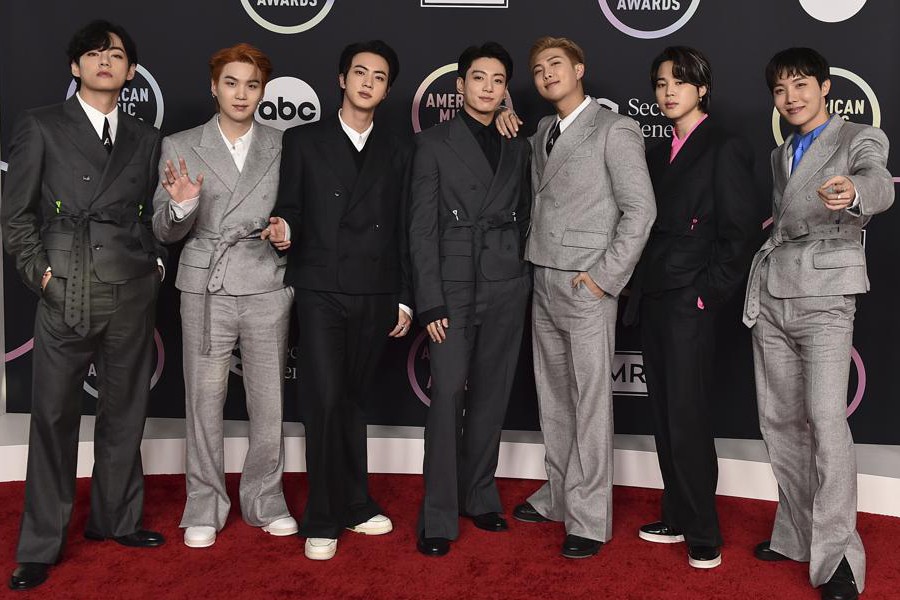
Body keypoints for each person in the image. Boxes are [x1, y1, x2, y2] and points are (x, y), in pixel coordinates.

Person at [2, 20, 165, 591]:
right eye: (94, 53)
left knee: (124, 413)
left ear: (129, 71)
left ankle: (116, 520)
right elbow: (16, 216)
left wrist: (155, 266)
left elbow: (151, 216)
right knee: (52, 418)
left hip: (130, 291)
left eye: (116, 54)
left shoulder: (146, 138)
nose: (105, 60)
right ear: (76, 67)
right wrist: (41, 277)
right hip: (65, 288)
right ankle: (41, 545)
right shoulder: (41, 125)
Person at [743, 47, 893, 600]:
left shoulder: (857, 139)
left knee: (827, 422)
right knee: (780, 420)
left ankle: (838, 558)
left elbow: (878, 183)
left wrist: (854, 194)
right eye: (781, 91)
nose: (791, 98)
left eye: (801, 85)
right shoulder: (781, 154)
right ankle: (796, 533)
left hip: (827, 296)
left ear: (826, 86)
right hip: (775, 293)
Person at [507, 36, 656, 558]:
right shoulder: (543, 130)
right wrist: (506, 115)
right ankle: (558, 493)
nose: (546, 73)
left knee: (590, 400)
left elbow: (641, 211)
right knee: (554, 395)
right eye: (537, 67)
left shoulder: (616, 129)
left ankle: (589, 517)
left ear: (579, 68)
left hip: (586, 284)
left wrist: (604, 277)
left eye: (555, 64)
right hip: (541, 276)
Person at [267, 40, 413, 561]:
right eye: (359, 72)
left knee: (352, 401)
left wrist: (405, 299)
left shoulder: (401, 148)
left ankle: (356, 502)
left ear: (388, 88)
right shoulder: (304, 141)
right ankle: (322, 516)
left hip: (376, 291)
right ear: (341, 79)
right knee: (323, 401)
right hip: (321, 288)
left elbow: (407, 230)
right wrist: (286, 227)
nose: (367, 81)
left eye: (378, 75)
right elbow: (291, 206)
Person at [152, 43, 297, 549]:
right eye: (231, 83)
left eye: (252, 84)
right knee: (204, 401)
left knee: (269, 402)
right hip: (204, 284)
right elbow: (164, 232)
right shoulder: (179, 144)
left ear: (263, 91)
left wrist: (287, 231)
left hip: (265, 281)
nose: (241, 93)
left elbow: (299, 212)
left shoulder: (284, 144)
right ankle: (204, 504)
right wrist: (181, 208)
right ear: (214, 87)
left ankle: (265, 499)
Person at [623, 46, 759, 569]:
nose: (668, 91)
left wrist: (707, 295)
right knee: (663, 413)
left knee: (688, 415)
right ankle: (677, 514)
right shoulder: (657, 153)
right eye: (660, 83)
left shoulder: (724, 147)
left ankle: (704, 530)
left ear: (703, 88)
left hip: (690, 301)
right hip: (654, 299)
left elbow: (740, 233)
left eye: (679, 81)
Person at [408, 42, 531, 557]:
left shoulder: (519, 142)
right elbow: (421, 227)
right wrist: (430, 301)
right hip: (453, 287)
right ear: (459, 86)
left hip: (506, 281)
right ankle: (437, 512)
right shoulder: (434, 143)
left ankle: (480, 494)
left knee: (492, 394)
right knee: (448, 397)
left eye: (497, 80)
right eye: (478, 78)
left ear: (505, 90)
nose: (487, 87)